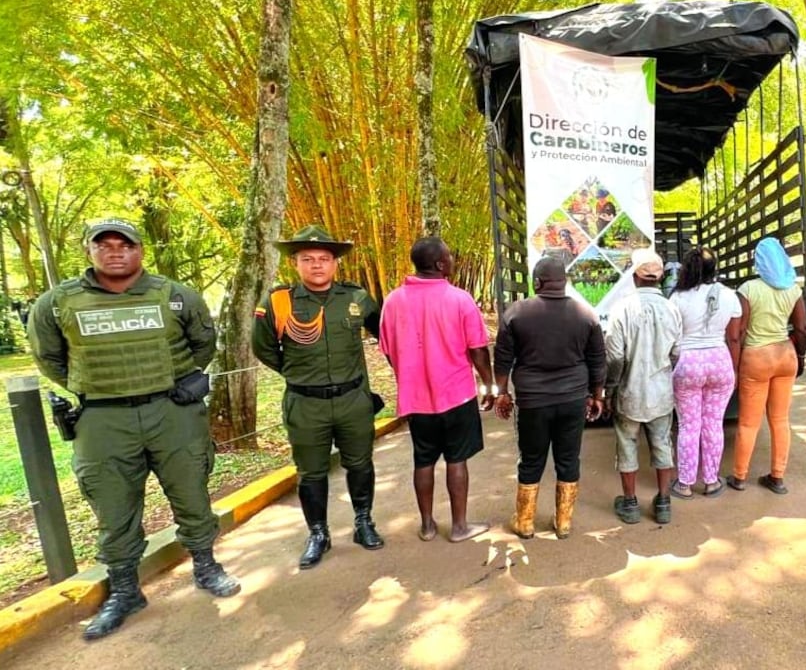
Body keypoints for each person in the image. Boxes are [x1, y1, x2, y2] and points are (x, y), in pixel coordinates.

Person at [28, 219, 239, 641]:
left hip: (171, 411)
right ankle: (125, 590)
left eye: (124, 244)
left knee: (191, 490)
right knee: (112, 504)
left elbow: (203, 343)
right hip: (104, 418)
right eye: (103, 245)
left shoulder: (175, 295)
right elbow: (49, 357)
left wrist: (185, 377)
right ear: (89, 252)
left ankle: (206, 565)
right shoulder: (57, 303)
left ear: (140, 250)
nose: (114, 251)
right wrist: (94, 388)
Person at [252, 225, 384, 570]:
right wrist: (300, 373)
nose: (316, 265)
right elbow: (264, 348)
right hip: (305, 403)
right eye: (307, 259)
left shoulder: (356, 297)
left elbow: (384, 331)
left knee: (360, 463)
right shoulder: (279, 301)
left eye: (324, 259)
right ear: (295, 263)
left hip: (352, 399)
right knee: (311, 473)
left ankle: (363, 522)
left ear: (335, 264)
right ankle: (318, 533)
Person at [379, 238, 493, 543]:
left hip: (416, 400)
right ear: (441, 264)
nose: (453, 261)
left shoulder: (393, 301)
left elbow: (389, 351)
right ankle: (459, 527)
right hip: (456, 394)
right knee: (457, 459)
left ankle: (428, 525)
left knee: (423, 460)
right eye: (450, 256)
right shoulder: (460, 299)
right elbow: (478, 350)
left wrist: (409, 377)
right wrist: (489, 383)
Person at [494, 256, 606, 539]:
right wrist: (597, 396)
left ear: (537, 282)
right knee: (568, 459)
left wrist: (503, 394)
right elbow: (597, 361)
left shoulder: (517, 313)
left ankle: (526, 522)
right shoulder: (586, 314)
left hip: (533, 402)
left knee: (531, 460)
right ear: (564, 282)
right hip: (572, 400)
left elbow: (503, 359)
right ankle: (564, 523)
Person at [605, 249, 683, 524]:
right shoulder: (672, 308)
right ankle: (663, 503)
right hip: (661, 392)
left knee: (627, 444)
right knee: (662, 445)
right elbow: (676, 352)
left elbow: (614, 356)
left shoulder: (622, 309)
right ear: (659, 278)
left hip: (630, 392)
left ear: (635, 277)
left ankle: (630, 504)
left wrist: (610, 388)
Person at [729, 236, 806, 495]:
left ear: (759, 261)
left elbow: (738, 332)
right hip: (785, 356)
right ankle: (777, 477)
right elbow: (802, 327)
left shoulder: (748, 289)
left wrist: (736, 366)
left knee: (749, 423)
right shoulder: (793, 290)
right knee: (780, 420)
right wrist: (801, 355)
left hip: (756, 357)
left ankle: (739, 476)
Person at [668, 247, 742, 498]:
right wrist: (734, 370)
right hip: (720, 362)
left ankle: (685, 483)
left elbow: (672, 337)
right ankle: (711, 480)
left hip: (688, 362)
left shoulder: (677, 298)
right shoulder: (730, 295)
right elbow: (734, 338)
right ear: (714, 269)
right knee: (713, 424)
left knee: (689, 425)